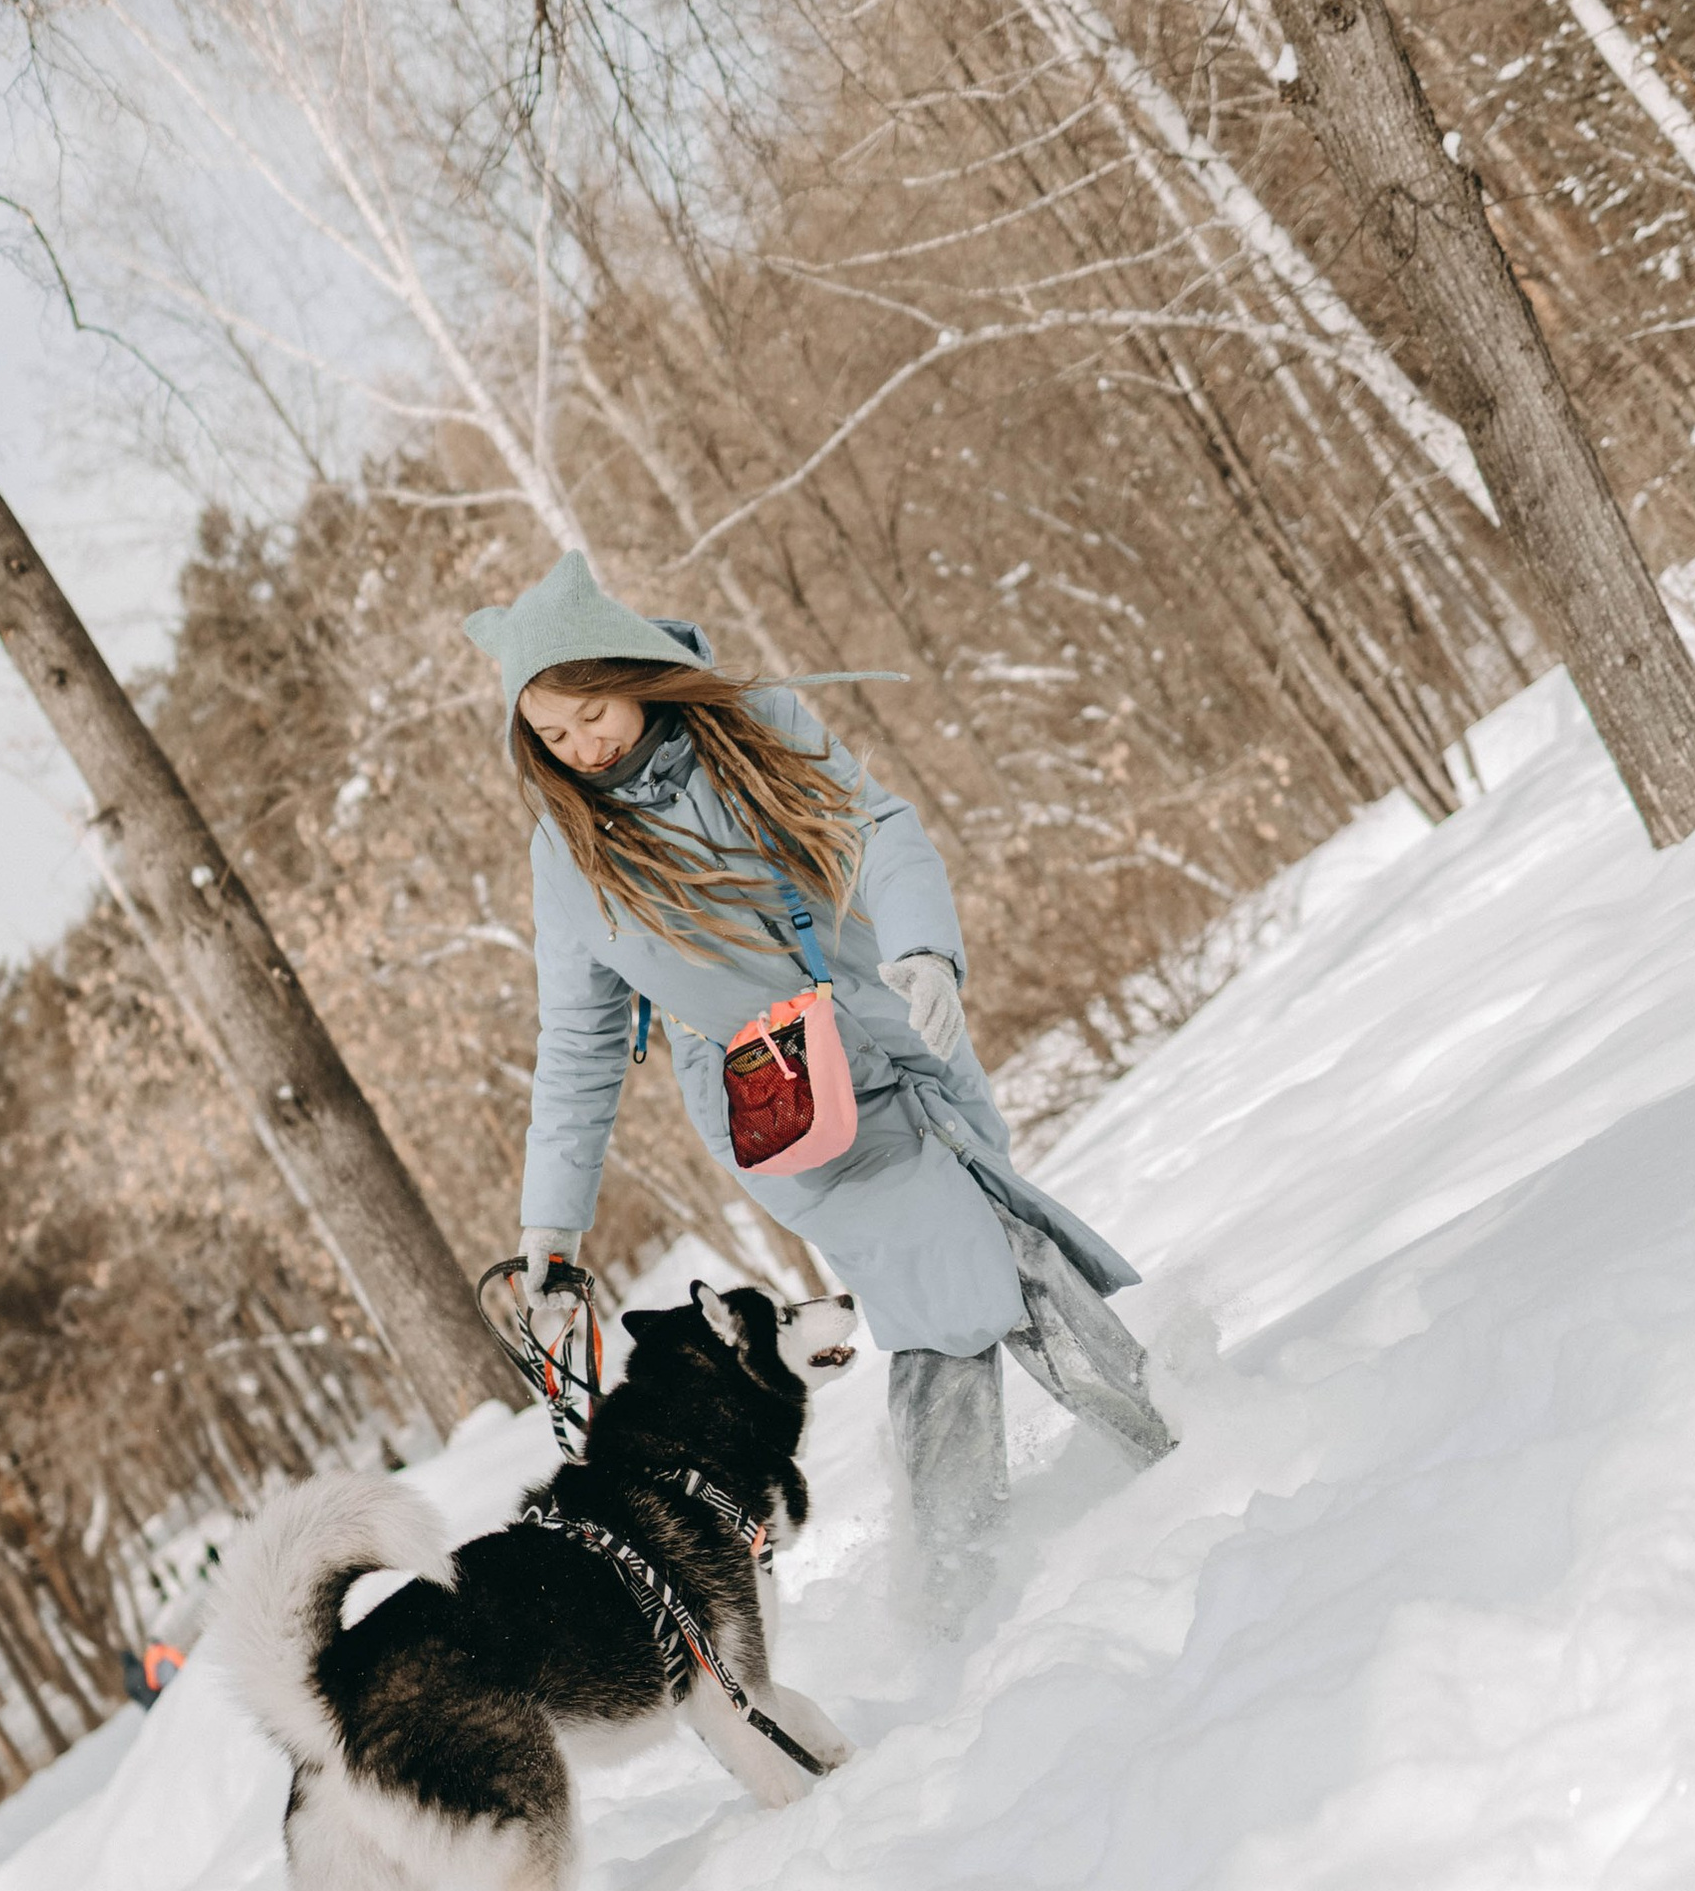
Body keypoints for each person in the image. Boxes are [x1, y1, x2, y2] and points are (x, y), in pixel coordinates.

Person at [464, 549, 1173, 1623]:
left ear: (634, 672)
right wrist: (550, 1239)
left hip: (898, 1024)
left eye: (593, 714)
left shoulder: (755, 726)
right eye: (553, 739)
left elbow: (878, 825)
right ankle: (1164, 1458)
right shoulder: (568, 859)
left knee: (964, 1284)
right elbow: (577, 1048)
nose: (583, 749)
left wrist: (926, 951)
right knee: (972, 1269)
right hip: (787, 1103)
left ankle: (964, 1578)